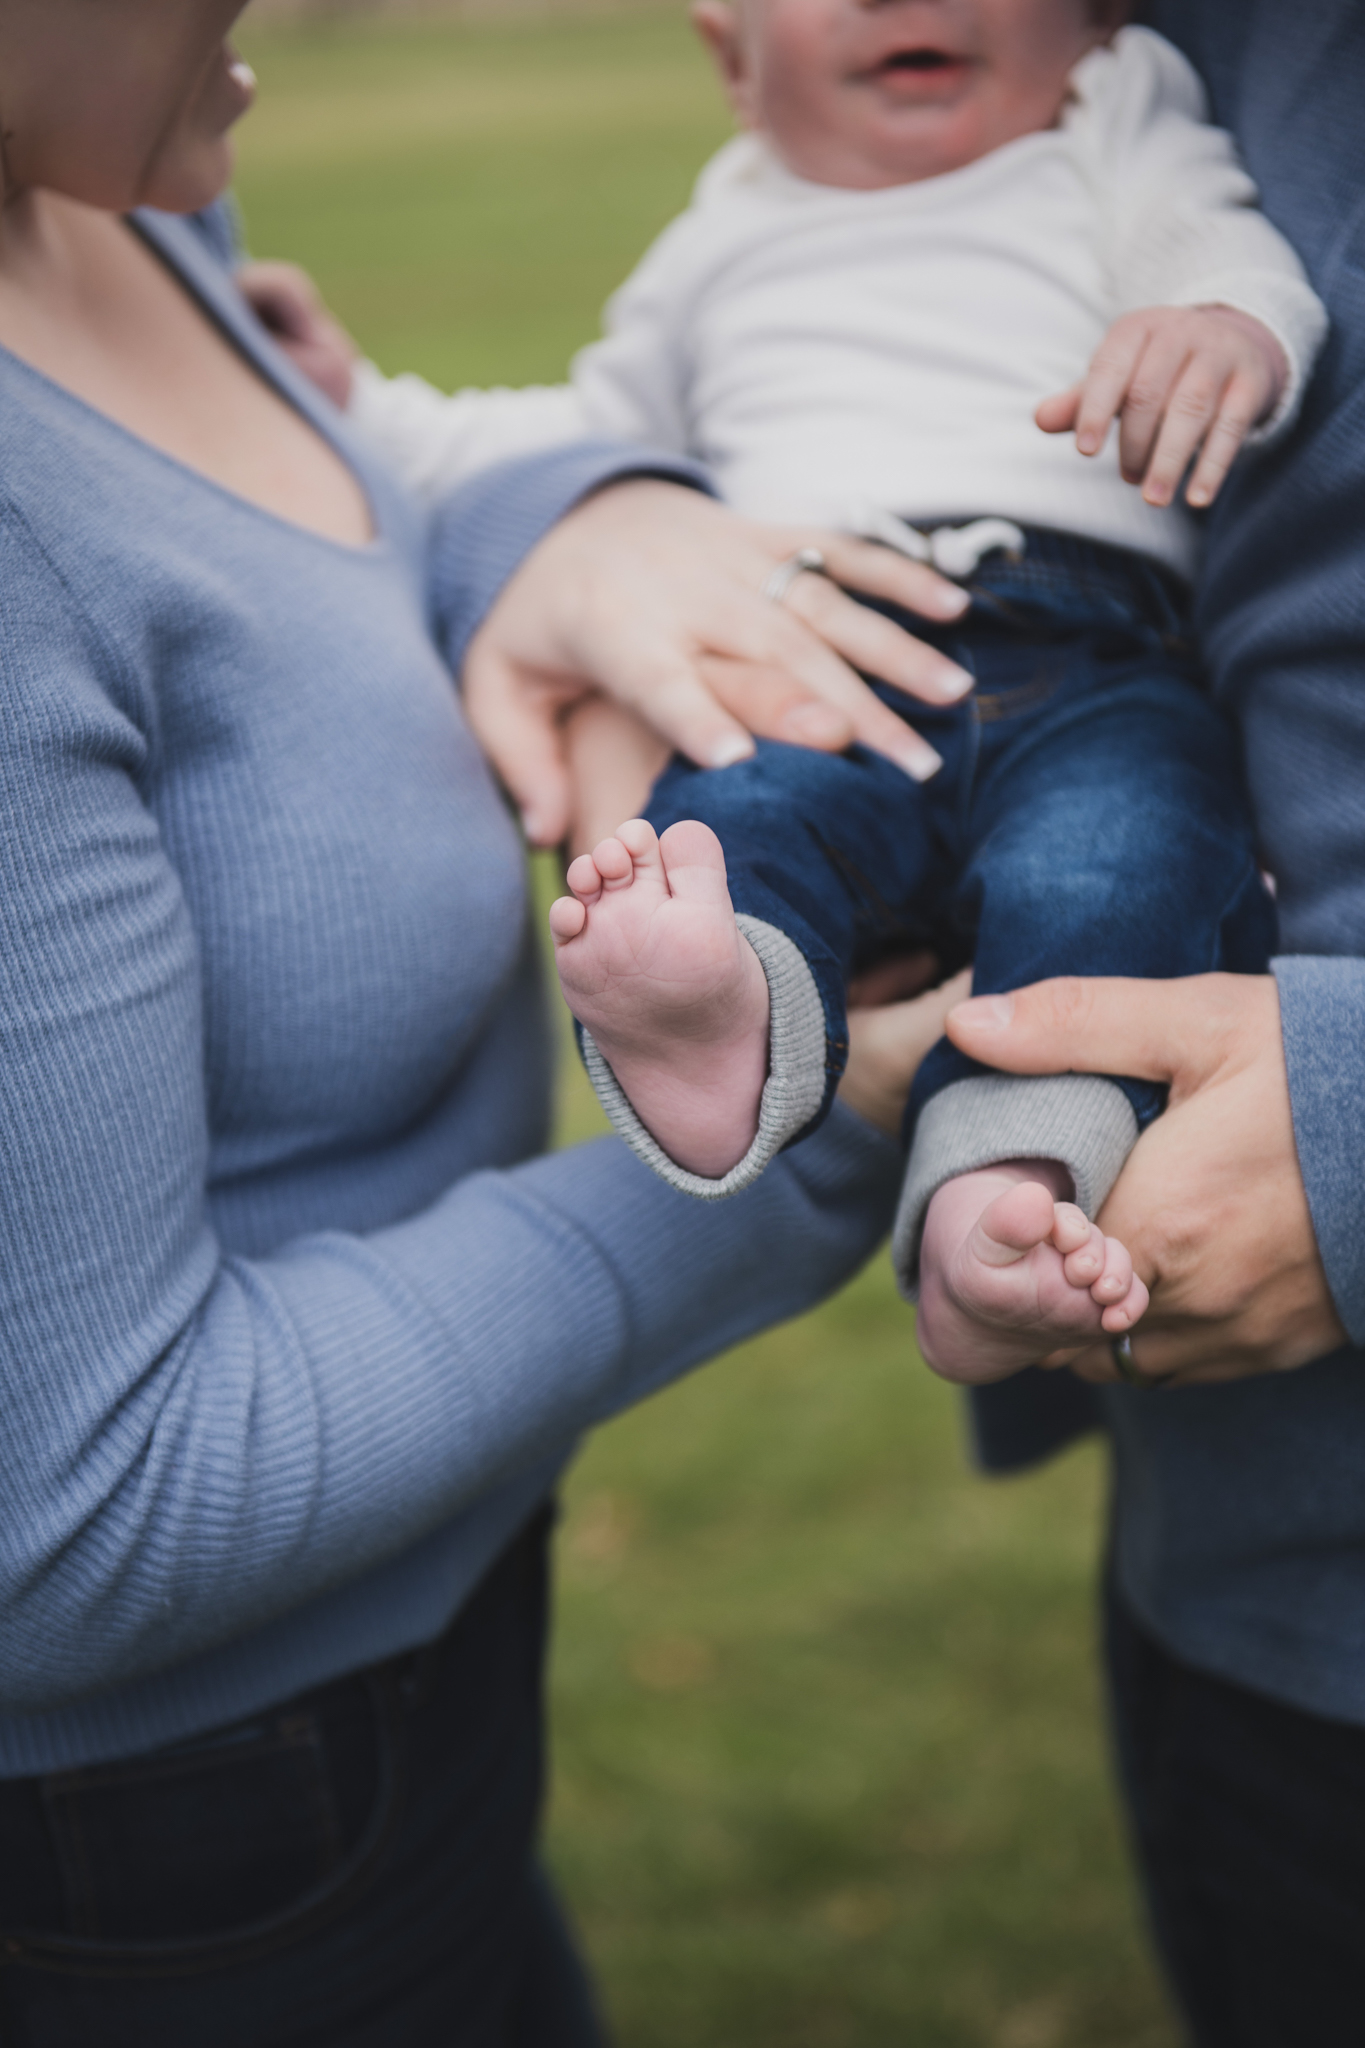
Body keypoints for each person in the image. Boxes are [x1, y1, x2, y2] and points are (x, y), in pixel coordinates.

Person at [0, 3, 974, 2040]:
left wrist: (579, 517)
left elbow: (325, 530)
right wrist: (804, 1125)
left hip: (406, 1668)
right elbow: (78, 1519)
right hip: (167, 1853)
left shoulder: (112, 188)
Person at [527, 6, 1321, 1382]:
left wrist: (1221, 324)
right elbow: (581, 436)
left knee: (1120, 866)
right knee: (744, 809)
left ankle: (996, 1196)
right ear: (729, 53)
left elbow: (1213, 228)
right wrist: (355, 400)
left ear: (1090, 18)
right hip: (816, 642)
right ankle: (722, 1011)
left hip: (1093, 650)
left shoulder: (1103, 120)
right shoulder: (719, 234)